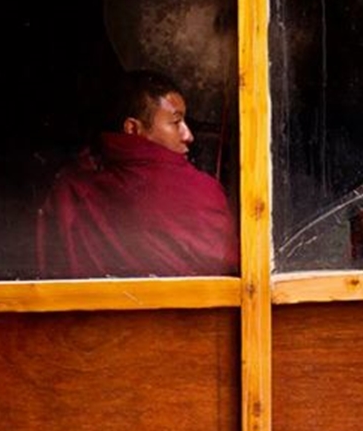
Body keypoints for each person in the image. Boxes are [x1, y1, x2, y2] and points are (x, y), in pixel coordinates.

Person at [36, 69, 239, 278]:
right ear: (133, 129)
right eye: (176, 122)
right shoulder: (198, 192)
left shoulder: (70, 188)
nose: (189, 136)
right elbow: (228, 269)